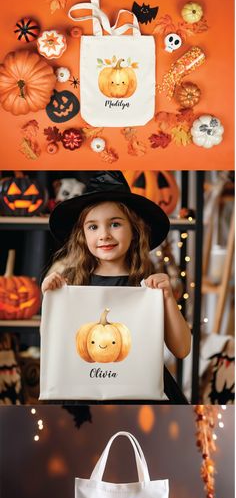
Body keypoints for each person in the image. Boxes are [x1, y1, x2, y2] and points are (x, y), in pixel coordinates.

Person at [42, 171, 191, 401]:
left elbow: (182, 349)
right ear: (82, 235)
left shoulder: (149, 284)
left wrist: (168, 298)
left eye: (115, 224)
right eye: (93, 227)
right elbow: (55, 346)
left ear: (134, 230)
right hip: (83, 391)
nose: (104, 235)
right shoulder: (71, 282)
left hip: (141, 395)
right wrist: (51, 298)